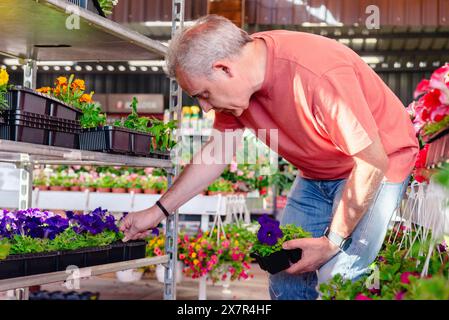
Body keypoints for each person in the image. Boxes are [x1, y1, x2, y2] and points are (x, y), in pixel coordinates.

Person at [120, 15, 419, 300]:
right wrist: (157, 211)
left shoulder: (317, 74)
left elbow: (371, 161)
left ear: (224, 69)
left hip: (379, 164)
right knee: (284, 269)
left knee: (340, 275)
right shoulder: (237, 94)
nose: (205, 108)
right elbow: (217, 153)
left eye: (204, 94)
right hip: (318, 174)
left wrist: (333, 241)